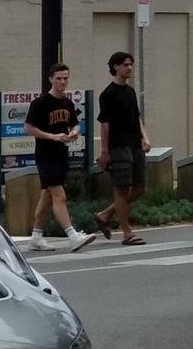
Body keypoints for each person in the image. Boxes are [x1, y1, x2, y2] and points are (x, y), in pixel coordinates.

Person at [22, 65, 97, 253]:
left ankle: (36, 237)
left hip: (62, 154)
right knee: (59, 195)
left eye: (65, 78)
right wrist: (52, 136)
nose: (62, 82)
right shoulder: (40, 103)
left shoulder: (67, 103)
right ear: (51, 79)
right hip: (46, 155)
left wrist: (73, 132)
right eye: (59, 78)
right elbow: (28, 128)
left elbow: (75, 124)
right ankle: (73, 236)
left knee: (47, 197)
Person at [93, 49, 149, 246]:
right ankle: (127, 233)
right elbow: (105, 124)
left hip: (134, 144)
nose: (129, 68)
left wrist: (144, 137)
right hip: (118, 146)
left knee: (140, 187)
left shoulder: (130, 91)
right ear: (116, 67)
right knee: (121, 190)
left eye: (131, 64)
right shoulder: (108, 94)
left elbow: (137, 117)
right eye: (125, 64)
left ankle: (105, 214)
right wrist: (105, 151)